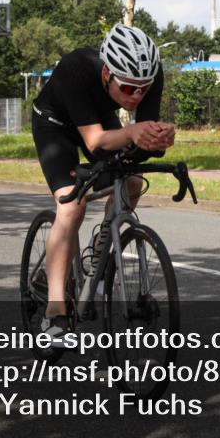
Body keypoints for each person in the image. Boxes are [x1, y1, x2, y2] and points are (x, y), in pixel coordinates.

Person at [31, 24, 175, 344]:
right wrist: (135, 133)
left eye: (144, 88)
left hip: (97, 118)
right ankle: (55, 314)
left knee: (133, 181)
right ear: (108, 73)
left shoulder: (149, 75)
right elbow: (95, 142)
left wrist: (157, 139)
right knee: (71, 204)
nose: (137, 96)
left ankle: (98, 258)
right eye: (128, 89)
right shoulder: (77, 69)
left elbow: (140, 140)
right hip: (55, 124)